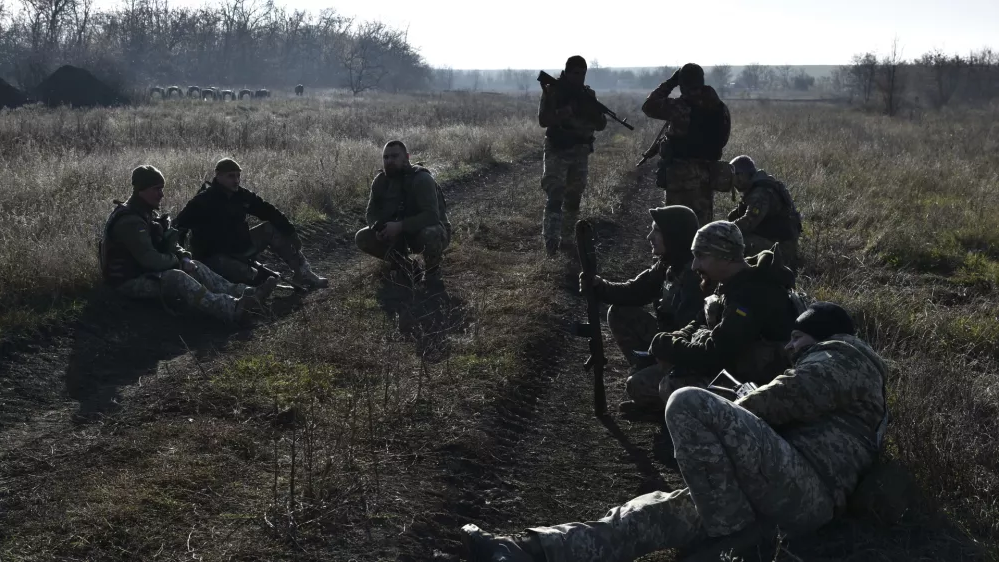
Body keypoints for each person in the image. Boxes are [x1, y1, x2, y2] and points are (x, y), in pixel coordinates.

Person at [461, 302, 889, 562]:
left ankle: (733, 533)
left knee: (686, 401)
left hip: (806, 489)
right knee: (649, 515)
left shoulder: (847, 354)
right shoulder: (837, 367)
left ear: (820, 336)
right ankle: (528, 550)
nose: (790, 348)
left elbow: (788, 398)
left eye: (797, 338)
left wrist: (720, 415)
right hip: (776, 488)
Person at [100, 165, 277, 325]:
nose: (161, 194)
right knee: (177, 278)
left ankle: (248, 294)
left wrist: (184, 256)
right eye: (156, 189)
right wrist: (177, 262)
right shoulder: (131, 221)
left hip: (145, 273)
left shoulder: (146, 214)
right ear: (141, 190)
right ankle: (232, 309)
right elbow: (150, 260)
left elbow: (171, 244)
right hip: (127, 282)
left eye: (161, 189)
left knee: (196, 267)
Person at [650, 221, 798, 405]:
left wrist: (666, 345)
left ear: (726, 257)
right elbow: (700, 320)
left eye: (700, 256)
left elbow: (714, 354)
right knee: (643, 384)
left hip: (760, 387)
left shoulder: (750, 295)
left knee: (671, 385)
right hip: (732, 367)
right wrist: (678, 337)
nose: (695, 265)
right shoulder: (730, 283)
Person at [578, 206, 704, 417]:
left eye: (656, 231)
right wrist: (600, 286)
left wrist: (666, 355)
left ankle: (665, 403)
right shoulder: (667, 264)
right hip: (667, 342)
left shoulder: (695, 277)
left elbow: (693, 338)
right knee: (619, 313)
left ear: (673, 236)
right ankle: (648, 369)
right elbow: (634, 291)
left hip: (686, 353)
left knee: (636, 386)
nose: (649, 236)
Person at [172, 157, 328, 289]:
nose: (236, 180)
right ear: (218, 177)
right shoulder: (202, 201)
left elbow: (268, 210)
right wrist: (183, 259)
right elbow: (178, 227)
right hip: (215, 257)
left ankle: (304, 274)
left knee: (269, 228)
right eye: (231, 176)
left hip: (241, 247)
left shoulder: (242, 195)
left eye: (238, 176)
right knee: (258, 280)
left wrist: (291, 232)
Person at [641, 63, 732, 227]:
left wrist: (670, 82)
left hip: (680, 176)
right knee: (701, 228)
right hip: (707, 176)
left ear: (682, 84)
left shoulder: (680, 107)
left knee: (676, 227)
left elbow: (649, 106)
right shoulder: (720, 108)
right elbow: (723, 140)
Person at [538, 55, 608, 256]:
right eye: (576, 73)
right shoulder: (553, 91)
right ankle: (551, 243)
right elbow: (543, 120)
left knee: (573, 198)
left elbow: (601, 124)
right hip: (557, 150)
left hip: (580, 151)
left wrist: (593, 113)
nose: (579, 77)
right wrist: (564, 113)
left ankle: (567, 239)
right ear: (567, 73)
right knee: (555, 195)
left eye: (583, 73)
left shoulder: (588, 95)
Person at [355, 140, 451, 284]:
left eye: (394, 156)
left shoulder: (422, 179)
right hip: (398, 235)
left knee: (431, 232)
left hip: (429, 233)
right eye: (386, 157)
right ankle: (408, 267)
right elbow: (371, 213)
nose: (389, 161)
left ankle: (432, 273)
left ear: (406, 157)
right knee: (362, 237)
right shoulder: (380, 181)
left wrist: (400, 226)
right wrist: (377, 228)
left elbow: (431, 216)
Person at [727, 155, 803, 269]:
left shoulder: (760, 193)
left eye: (734, 176)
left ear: (742, 175)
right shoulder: (756, 188)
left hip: (782, 248)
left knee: (737, 242)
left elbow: (748, 222)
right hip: (775, 240)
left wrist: (724, 231)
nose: (733, 182)